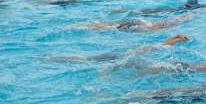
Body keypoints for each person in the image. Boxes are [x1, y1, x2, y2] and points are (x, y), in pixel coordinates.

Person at [52, 34, 188, 63]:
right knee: (84, 60)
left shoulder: (145, 48)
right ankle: (54, 59)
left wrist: (176, 37)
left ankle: (53, 59)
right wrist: (176, 39)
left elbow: (161, 44)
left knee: (84, 59)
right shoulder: (143, 51)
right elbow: (161, 45)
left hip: (113, 55)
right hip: (114, 58)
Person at [83, 14, 190, 33]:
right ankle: (95, 26)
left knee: (112, 26)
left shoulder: (149, 24)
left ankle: (94, 26)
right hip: (140, 26)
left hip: (137, 24)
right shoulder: (149, 27)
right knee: (113, 27)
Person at [126, 0, 206, 16]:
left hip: (172, 9)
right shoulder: (196, 7)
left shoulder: (183, 6)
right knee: (157, 12)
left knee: (156, 11)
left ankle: (139, 12)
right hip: (173, 11)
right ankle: (139, 12)